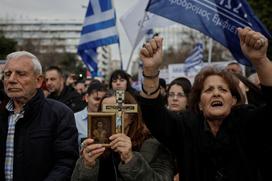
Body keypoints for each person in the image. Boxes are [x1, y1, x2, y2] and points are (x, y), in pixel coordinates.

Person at [138, 27, 272, 181]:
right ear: (200, 104)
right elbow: (153, 115)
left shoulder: (249, 122)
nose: (216, 93)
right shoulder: (185, 128)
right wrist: (150, 70)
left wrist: (260, 60)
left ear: (233, 100)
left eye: (223, 89)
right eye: (208, 90)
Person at [0, 51, 79, 180]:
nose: (11, 80)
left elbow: (66, 163)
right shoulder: (2, 112)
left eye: (20, 74)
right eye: (7, 74)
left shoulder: (60, 114)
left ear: (38, 81)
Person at [71, 91, 176, 181]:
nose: (112, 116)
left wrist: (131, 159)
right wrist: (87, 166)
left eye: (118, 110)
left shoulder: (153, 144)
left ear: (132, 117)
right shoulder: (95, 145)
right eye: (106, 111)